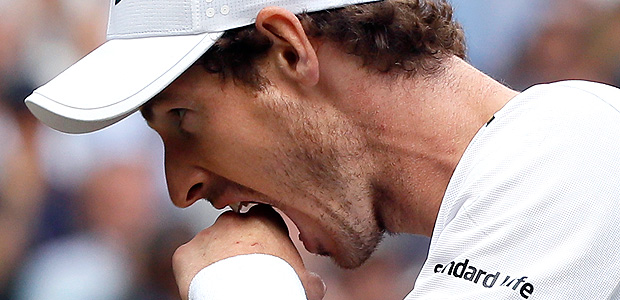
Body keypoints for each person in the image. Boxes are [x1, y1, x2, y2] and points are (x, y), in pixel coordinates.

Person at [24, 0, 620, 299]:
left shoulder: (576, 147)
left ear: (288, 50)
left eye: (184, 118)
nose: (181, 189)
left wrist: (246, 286)